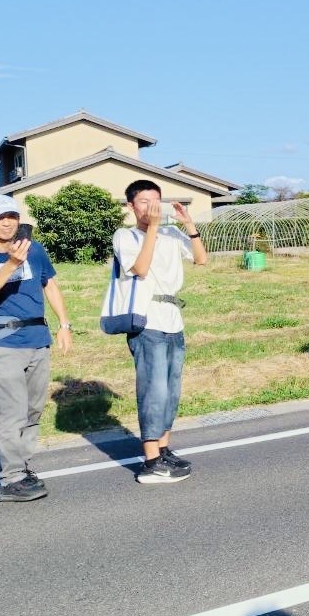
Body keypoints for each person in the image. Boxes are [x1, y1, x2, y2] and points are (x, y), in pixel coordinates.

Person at [0, 195, 73, 502]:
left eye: (11, 215)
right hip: (4, 344)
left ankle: (22, 468)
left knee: (33, 411)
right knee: (13, 412)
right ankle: (10, 479)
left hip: (38, 338)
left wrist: (64, 324)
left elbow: (49, 284)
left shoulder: (35, 249)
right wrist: (12, 262)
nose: (7, 222)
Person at [111, 179, 207, 483]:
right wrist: (152, 227)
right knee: (154, 390)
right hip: (147, 320)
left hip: (173, 319)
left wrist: (189, 224)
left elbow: (201, 258)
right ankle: (151, 461)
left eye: (156, 201)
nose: (151, 207)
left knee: (171, 389)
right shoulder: (125, 236)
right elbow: (140, 269)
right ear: (130, 206)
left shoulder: (170, 233)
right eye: (144, 202)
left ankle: (164, 450)